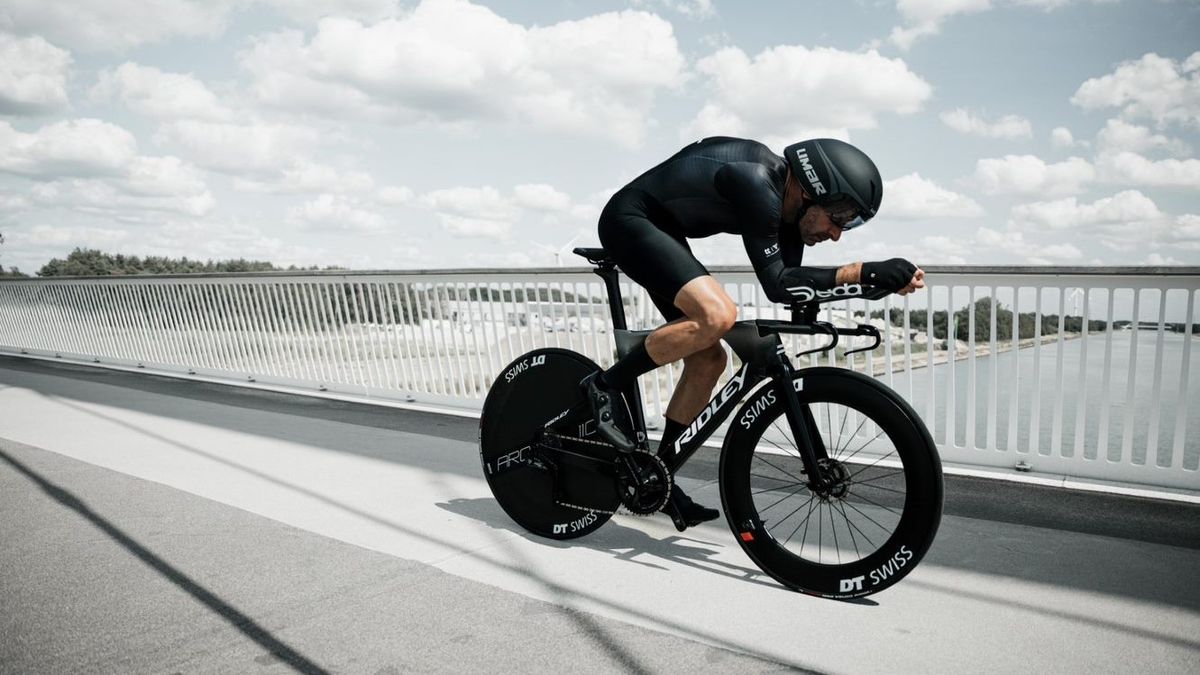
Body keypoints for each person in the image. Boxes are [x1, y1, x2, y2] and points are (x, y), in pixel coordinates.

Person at [583, 137, 925, 531]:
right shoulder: (756, 181)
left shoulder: (793, 215)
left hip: (666, 230)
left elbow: (796, 287)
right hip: (630, 220)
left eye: (847, 224)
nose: (836, 235)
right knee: (718, 314)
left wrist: (876, 284)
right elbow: (778, 284)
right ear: (810, 189)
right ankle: (605, 384)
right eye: (837, 218)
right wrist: (864, 272)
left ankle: (660, 474)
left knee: (710, 357)